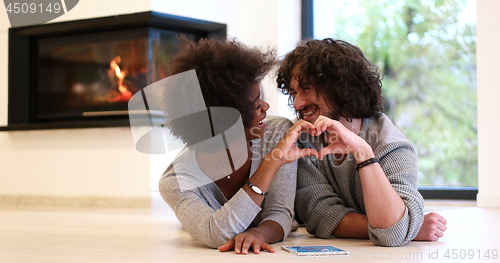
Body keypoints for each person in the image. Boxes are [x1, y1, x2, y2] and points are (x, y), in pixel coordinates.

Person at [276, 38, 447, 247]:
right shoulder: (301, 140)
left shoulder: (390, 143)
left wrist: (362, 151)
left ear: (339, 87)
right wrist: (408, 227)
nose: (297, 103)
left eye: (306, 89)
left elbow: (392, 234)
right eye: (294, 92)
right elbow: (320, 215)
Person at [158, 37, 318, 254]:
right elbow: (216, 233)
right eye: (255, 104)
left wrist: (258, 234)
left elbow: (280, 213)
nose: (266, 107)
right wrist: (272, 163)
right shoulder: (177, 181)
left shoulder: (278, 133)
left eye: (261, 98)